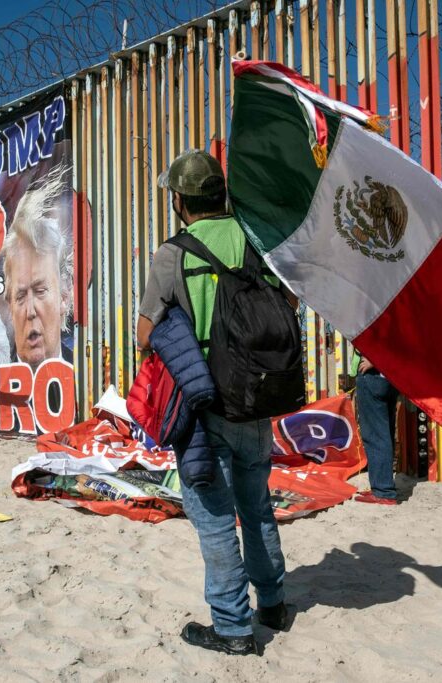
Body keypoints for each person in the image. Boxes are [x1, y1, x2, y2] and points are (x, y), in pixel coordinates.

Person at [135, 150, 288, 656]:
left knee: (215, 517)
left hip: (204, 406)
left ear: (179, 201)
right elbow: (286, 304)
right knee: (258, 506)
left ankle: (232, 627)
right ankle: (273, 603)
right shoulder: (256, 241)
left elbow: (144, 335)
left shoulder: (172, 253)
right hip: (256, 399)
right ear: (221, 194)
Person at [0, 168, 73, 372]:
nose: (30, 311)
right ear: (9, 306)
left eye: (40, 291)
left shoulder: (85, 377)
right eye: (21, 296)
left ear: (64, 296)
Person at [351, 352, 401, 505]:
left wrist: (375, 359)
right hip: (388, 377)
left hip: (373, 376)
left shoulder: (372, 327)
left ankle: (383, 490)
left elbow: (372, 340)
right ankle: (381, 485)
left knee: (375, 435)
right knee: (385, 433)